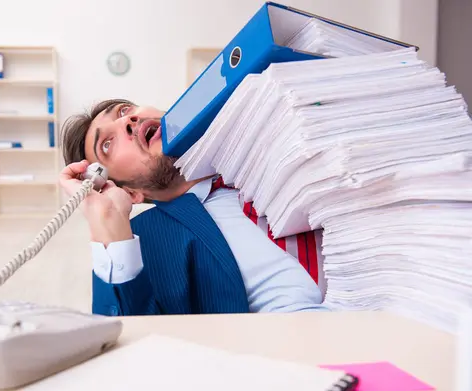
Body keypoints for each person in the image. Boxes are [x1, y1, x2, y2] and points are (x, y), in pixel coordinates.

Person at [60, 98, 327, 316]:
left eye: (124, 110)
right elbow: (129, 342)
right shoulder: (145, 238)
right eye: (107, 143)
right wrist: (109, 226)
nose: (126, 121)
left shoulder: (264, 148)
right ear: (128, 191)